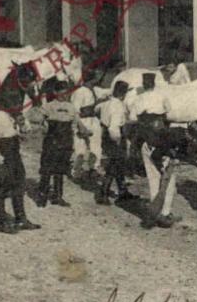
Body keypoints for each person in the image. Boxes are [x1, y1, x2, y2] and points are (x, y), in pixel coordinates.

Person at [0, 94, 41, 234]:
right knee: (2, 188)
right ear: (5, 105)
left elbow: (27, 132)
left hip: (15, 156)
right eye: (15, 104)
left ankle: (21, 219)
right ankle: (0, 221)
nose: (19, 107)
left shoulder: (16, 117)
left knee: (19, 185)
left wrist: (22, 124)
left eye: (20, 104)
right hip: (2, 157)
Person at [34, 79, 92, 208]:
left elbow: (79, 124)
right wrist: (40, 125)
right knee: (47, 169)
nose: (64, 95)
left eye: (66, 93)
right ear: (55, 92)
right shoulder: (48, 106)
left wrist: (86, 131)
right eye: (61, 93)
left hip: (66, 141)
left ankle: (58, 196)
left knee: (60, 169)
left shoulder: (71, 107)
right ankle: (42, 197)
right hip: (52, 141)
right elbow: (37, 121)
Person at [136, 104, 189, 229]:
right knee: (166, 182)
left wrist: (174, 158)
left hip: (151, 147)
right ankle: (162, 215)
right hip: (154, 151)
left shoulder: (177, 133)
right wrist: (162, 167)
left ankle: (159, 213)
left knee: (159, 181)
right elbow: (157, 153)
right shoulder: (174, 135)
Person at [95, 80, 133, 204]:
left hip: (106, 135)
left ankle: (122, 191)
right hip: (115, 137)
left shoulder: (106, 104)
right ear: (123, 93)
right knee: (113, 166)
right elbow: (113, 127)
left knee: (118, 165)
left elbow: (96, 110)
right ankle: (103, 193)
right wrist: (118, 141)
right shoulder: (118, 107)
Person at [70, 72, 104, 183]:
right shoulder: (80, 92)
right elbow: (74, 111)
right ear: (91, 79)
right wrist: (81, 126)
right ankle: (76, 171)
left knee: (96, 146)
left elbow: (107, 93)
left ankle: (93, 169)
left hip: (93, 120)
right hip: (82, 120)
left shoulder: (95, 90)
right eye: (95, 79)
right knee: (80, 148)